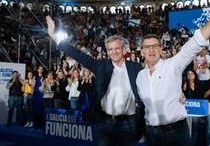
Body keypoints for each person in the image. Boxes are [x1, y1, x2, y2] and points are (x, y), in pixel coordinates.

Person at [136, 0, 210, 146]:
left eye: (155, 46)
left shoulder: (173, 65)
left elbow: (195, 43)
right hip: (152, 133)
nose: (151, 49)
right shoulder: (140, 77)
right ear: (142, 52)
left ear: (160, 49)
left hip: (177, 133)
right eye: (146, 47)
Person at [46, 17, 145, 146]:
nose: (114, 52)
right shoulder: (101, 66)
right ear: (107, 52)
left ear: (123, 49)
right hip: (105, 122)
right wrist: (54, 36)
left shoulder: (135, 67)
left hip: (129, 123)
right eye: (110, 49)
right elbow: (79, 55)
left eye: (117, 48)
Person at [181, 70, 203, 146]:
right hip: (187, 109)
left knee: (195, 127)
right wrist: (183, 90)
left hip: (196, 109)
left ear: (195, 75)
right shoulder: (185, 84)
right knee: (187, 127)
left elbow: (201, 96)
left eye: (191, 74)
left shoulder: (199, 84)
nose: (190, 75)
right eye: (188, 74)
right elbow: (182, 96)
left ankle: (193, 143)